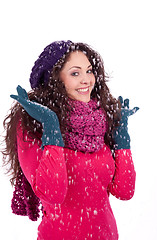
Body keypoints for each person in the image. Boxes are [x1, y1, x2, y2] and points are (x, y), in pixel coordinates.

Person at [2, 40, 139, 240]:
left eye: (89, 71)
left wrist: (122, 141)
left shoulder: (99, 120)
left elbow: (124, 191)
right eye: (75, 73)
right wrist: (51, 127)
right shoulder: (33, 125)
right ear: (55, 79)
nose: (86, 80)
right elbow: (52, 193)